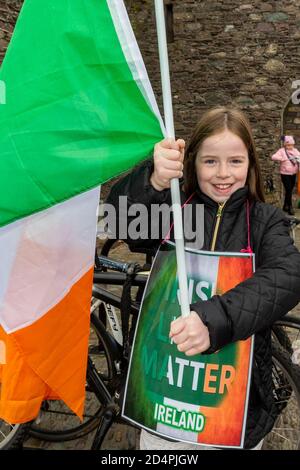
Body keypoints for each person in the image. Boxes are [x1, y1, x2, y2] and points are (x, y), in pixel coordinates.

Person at [106, 106, 300, 450]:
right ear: (192, 163)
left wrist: (214, 320)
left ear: (251, 164)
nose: (223, 173)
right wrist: (152, 180)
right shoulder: (173, 212)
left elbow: (288, 274)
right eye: (210, 161)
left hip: (235, 409)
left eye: (235, 161)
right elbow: (118, 222)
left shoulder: (265, 221)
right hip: (164, 402)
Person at [271, 135, 300, 215]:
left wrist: (297, 158)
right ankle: (290, 207)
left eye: (291, 145)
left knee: (289, 190)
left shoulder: (295, 150)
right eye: (288, 145)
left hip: (293, 173)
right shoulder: (281, 151)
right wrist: (282, 158)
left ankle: (285, 206)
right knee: (288, 190)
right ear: (285, 144)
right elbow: (273, 157)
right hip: (285, 174)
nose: (290, 146)